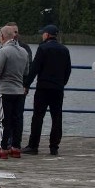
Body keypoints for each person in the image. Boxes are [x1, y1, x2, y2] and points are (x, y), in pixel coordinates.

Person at [22, 25, 72, 155]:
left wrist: (26, 84)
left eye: (43, 33)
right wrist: (62, 83)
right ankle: (54, 147)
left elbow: (34, 68)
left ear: (47, 35)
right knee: (56, 117)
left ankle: (33, 146)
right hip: (58, 89)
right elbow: (68, 70)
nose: (42, 35)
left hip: (43, 88)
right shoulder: (64, 50)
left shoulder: (43, 48)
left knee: (38, 117)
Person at [0, 24, 30, 159]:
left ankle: (3, 148)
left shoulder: (3, 51)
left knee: (4, 121)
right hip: (18, 91)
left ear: (3, 36)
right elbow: (26, 72)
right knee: (17, 120)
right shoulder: (24, 52)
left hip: (5, 91)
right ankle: (16, 148)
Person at [7, 21, 32, 152]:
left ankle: (16, 142)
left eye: (16, 31)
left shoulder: (25, 48)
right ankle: (6, 139)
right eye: (12, 32)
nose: (15, 34)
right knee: (5, 115)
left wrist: (26, 85)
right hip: (5, 88)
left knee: (17, 115)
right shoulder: (3, 47)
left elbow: (29, 68)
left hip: (19, 87)